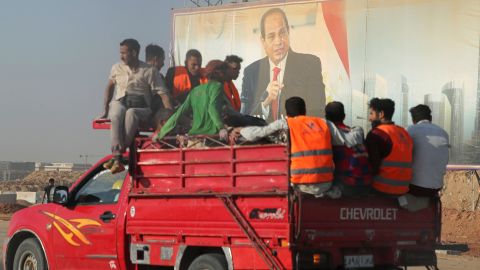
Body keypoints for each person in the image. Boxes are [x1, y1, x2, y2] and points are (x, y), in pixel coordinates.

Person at [232, 97, 346, 198]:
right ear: (304, 111)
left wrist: (240, 130)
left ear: (286, 114)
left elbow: (256, 134)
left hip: (300, 185)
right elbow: (347, 140)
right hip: (325, 184)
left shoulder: (285, 123)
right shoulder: (322, 123)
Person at [98, 39, 172, 174]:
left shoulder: (149, 71)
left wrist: (171, 116)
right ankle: (117, 157)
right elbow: (109, 87)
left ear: (134, 53)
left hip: (141, 108)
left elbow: (163, 93)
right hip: (121, 102)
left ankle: (117, 156)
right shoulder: (116, 68)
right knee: (115, 113)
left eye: (124, 53)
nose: (121, 56)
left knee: (131, 114)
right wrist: (105, 110)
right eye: (120, 53)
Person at [241, 8, 325, 121]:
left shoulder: (310, 64)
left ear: (288, 32)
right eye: (271, 36)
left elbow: (317, 112)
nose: (278, 41)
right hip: (262, 137)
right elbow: (244, 118)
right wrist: (265, 103)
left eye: (282, 33)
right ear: (263, 41)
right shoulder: (251, 72)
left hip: (297, 136)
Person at [155, 60, 230, 141]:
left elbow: (178, 114)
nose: (227, 76)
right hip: (210, 138)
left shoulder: (195, 90)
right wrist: (221, 127)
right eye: (225, 73)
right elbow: (212, 108)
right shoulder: (217, 86)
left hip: (194, 139)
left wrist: (160, 133)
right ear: (220, 73)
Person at [365, 98, 413, 196]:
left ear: (381, 114)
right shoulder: (404, 132)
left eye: (371, 114)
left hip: (383, 189)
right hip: (403, 189)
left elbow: (372, 166)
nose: (369, 118)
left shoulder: (377, 134)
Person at [325, 101, 372, 196]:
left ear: (326, 117)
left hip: (347, 185)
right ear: (344, 116)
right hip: (367, 182)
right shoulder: (355, 132)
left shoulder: (330, 135)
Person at [407, 104, 449, 197]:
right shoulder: (443, 132)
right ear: (430, 118)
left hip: (414, 187)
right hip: (437, 186)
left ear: (413, 120)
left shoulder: (410, 130)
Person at [145, 44, 173, 116]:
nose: (163, 64)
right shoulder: (155, 74)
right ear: (155, 59)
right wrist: (172, 119)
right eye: (162, 60)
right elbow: (166, 99)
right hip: (154, 113)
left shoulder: (137, 71)